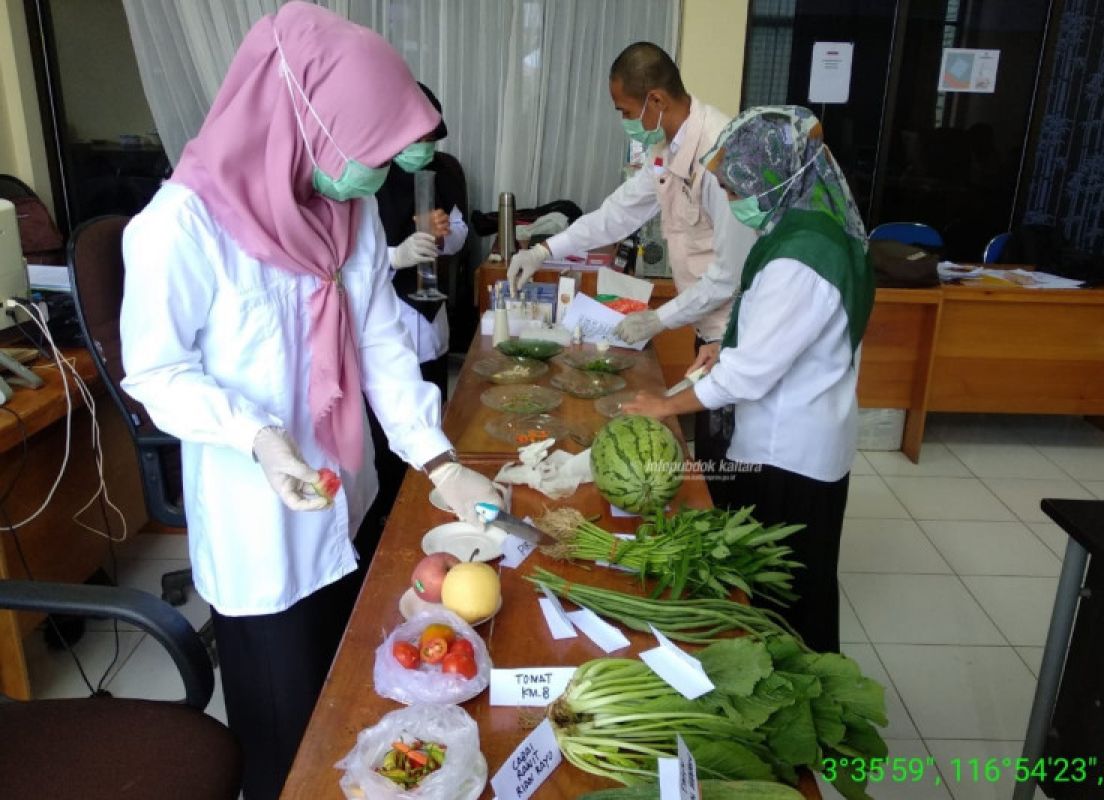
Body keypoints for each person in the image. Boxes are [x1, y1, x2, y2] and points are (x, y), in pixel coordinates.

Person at [118, 5, 501, 797]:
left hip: (342, 494)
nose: (374, 177)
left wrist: (437, 459)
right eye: (363, 153)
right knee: (285, 737)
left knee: (348, 706)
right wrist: (259, 436)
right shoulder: (179, 226)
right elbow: (155, 373)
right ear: (299, 117)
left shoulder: (346, 209)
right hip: (259, 519)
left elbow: (380, 339)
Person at [624, 106, 876, 654]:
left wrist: (666, 408)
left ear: (773, 177)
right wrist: (722, 344)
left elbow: (750, 374)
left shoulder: (803, 256)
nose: (733, 200)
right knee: (796, 581)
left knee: (788, 597)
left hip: (789, 452)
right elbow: (782, 337)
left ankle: (797, 705)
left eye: (733, 187)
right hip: (807, 434)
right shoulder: (810, 225)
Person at [506, 41, 755, 504]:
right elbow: (615, 215)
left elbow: (728, 274)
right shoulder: (666, 149)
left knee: (731, 463)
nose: (625, 121)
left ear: (656, 100)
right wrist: (544, 249)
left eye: (626, 110)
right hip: (709, 331)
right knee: (715, 449)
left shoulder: (721, 154)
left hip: (739, 331)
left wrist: (658, 319)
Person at [375, 81, 469, 397]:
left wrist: (440, 235)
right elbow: (347, 260)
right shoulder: (365, 179)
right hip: (385, 315)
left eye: (431, 139)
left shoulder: (442, 171)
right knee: (394, 419)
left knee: (435, 402)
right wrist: (396, 255)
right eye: (419, 139)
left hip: (431, 309)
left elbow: (459, 230)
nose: (425, 147)